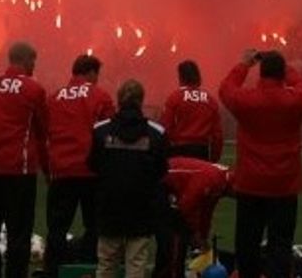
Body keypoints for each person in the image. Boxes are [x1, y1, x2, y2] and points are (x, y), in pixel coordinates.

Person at [219, 49, 302, 278]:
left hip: (251, 182)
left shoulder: (246, 100)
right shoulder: (296, 101)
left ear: (260, 73)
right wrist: (286, 67)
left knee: (247, 242)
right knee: (280, 243)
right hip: (285, 183)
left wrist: (243, 64)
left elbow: (225, 90)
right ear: (282, 74)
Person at [0, 41, 49, 278]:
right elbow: (42, 131)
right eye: (33, 61)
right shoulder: (34, 89)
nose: (33, 66)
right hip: (20, 169)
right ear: (25, 60)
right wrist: (48, 170)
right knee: (18, 232)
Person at [43, 54, 115, 278]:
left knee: (57, 226)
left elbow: (44, 132)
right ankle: (89, 267)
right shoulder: (100, 96)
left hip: (62, 169)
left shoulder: (54, 98)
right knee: (94, 225)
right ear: (91, 73)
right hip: (91, 171)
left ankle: (52, 270)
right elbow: (109, 135)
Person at [88, 79, 168, 278]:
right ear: (141, 101)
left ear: (118, 99)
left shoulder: (101, 130)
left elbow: (92, 165)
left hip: (109, 207)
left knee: (106, 264)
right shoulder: (156, 133)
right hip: (141, 209)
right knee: (136, 265)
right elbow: (162, 170)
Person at [152, 157, 233, 278]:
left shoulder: (220, 182)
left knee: (182, 234)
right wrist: (194, 234)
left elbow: (207, 211)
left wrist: (203, 237)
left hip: (172, 186)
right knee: (175, 237)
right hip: (161, 181)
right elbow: (186, 207)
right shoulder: (212, 180)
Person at [159, 60, 224, 161]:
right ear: (198, 76)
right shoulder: (210, 100)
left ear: (181, 77)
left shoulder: (174, 98)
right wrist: (214, 159)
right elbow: (218, 136)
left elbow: (165, 128)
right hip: (202, 152)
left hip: (179, 150)